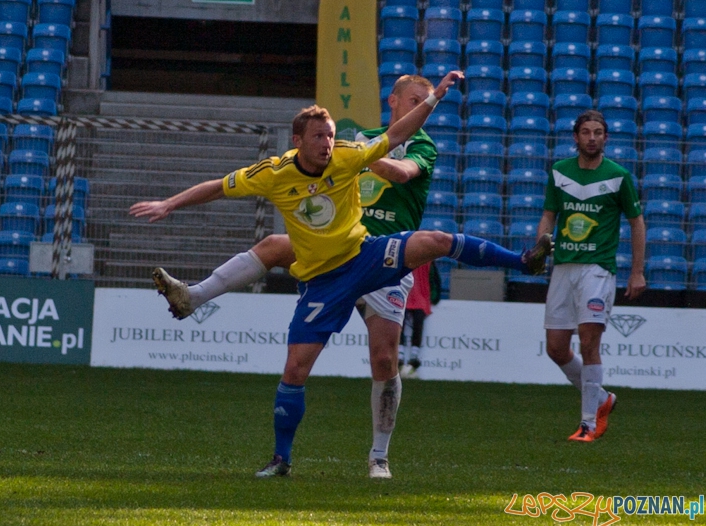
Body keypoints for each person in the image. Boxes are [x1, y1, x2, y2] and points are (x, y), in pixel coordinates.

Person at [130, 70, 552, 478]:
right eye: (320, 136)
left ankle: (523, 261)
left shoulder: (367, 150)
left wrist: (434, 98)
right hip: (324, 276)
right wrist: (169, 204)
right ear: (298, 141)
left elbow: (400, 155)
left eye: (332, 135)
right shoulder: (278, 172)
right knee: (295, 366)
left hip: (368, 253)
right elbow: (219, 186)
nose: (329, 144)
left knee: (428, 256)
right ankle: (281, 458)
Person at [535, 109, 646, 443]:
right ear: (576, 136)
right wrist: (541, 250)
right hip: (564, 267)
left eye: (598, 132)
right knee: (556, 348)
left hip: (598, 269)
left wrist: (637, 272)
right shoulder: (559, 172)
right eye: (586, 132)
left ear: (606, 137)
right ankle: (601, 398)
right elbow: (548, 216)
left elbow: (636, 222)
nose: (592, 138)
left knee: (588, 340)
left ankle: (588, 424)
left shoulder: (618, 175)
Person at [398, 261, 438, 379]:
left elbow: (434, 280)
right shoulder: (405, 257)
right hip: (405, 298)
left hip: (418, 299)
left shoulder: (428, 261)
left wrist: (434, 298)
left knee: (416, 326)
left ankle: (412, 358)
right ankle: (400, 358)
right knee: (399, 326)